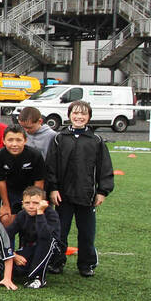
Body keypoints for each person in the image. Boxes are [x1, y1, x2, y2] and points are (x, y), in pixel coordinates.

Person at [45, 100, 114, 278]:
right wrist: (52, 189)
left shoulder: (96, 140)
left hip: (87, 195)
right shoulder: (59, 138)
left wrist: (102, 191)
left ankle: (86, 264)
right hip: (63, 195)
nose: (79, 117)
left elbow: (105, 167)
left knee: (86, 232)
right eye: (75, 113)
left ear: (89, 117)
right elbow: (51, 166)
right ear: (69, 115)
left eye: (83, 114)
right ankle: (57, 261)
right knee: (60, 230)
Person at [6, 186, 61, 289]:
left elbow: (44, 235)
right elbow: (7, 234)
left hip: (51, 251)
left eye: (35, 203)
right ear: (22, 203)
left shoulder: (51, 214)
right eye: (27, 203)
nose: (31, 206)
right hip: (31, 248)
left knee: (46, 240)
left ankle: (38, 278)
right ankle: (30, 270)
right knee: (18, 270)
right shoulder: (22, 215)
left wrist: (40, 213)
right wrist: (12, 254)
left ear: (44, 203)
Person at [0, 123, 46, 222]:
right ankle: (8, 237)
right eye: (10, 140)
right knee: (6, 218)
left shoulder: (35, 155)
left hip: (30, 192)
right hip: (10, 193)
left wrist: (34, 202)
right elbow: (0, 181)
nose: (14, 144)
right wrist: (6, 205)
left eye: (18, 140)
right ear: (3, 141)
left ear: (25, 140)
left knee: (30, 222)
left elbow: (39, 181)